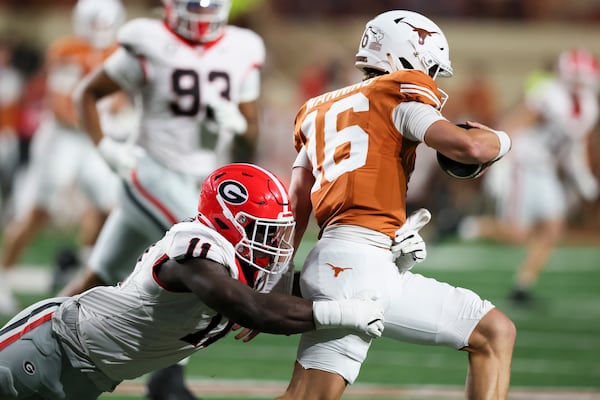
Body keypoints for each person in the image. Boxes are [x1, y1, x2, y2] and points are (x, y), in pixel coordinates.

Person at [277, 10, 517, 400]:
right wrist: (502, 140)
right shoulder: (398, 92)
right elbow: (470, 146)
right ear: (409, 58)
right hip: (356, 270)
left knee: (494, 331)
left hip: (343, 260)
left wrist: (277, 275)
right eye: (431, 69)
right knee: (308, 397)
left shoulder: (315, 109)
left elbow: (295, 205)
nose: (432, 80)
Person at [0, 163, 385, 400]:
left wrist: (378, 263)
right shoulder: (195, 250)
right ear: (226, 222)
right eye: (264, 232)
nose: (272, 244)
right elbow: (254, 310)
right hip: (50, 345)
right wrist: (344, 313)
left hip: (91, 377)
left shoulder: (232, 262)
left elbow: (302, 289)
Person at [59, 0, 266, 398]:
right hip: (150, 172)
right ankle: (168, 381)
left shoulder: (242, 47)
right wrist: (105, 148)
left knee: (97, 277)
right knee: (205, 257)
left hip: (196, 180)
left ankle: (21, 343)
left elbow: (249, 137)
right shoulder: (149, 41)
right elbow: (88, 92)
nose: (202, 9)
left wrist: (238, 126)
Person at [0, 0, 127, 315]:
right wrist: (99, 122)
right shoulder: (68, 49)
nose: (100, 31)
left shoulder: (120, 52)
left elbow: (120, 98)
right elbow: (60, 104)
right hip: (63, 140)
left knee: (113, 208)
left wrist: (116, 118)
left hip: (94, 140)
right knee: (39, 211)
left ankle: (85, 268)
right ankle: (2, 275)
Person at [459, 48, 600, 304]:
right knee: (517, 235)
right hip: (521, 164)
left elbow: (574, 146)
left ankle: (522, 286)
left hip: (545, 169)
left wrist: (583, 179)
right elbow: (514, 125)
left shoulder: (589, 105)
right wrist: (499, 164)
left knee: (553, 227)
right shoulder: (550, 95)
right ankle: (468, 225)